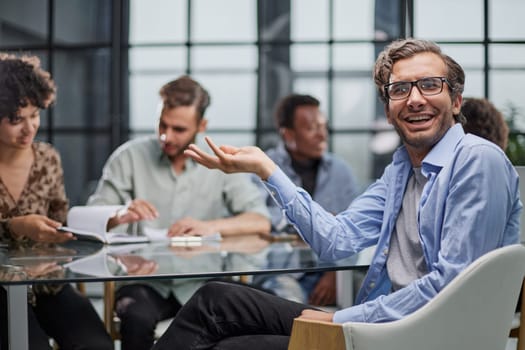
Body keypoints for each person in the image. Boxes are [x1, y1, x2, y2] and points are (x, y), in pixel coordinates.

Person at [151, 38, 522, 350]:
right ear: (389, 110)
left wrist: (343, 319)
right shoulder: (400, 172)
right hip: (386, 327)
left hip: (421, 337)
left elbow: (450, 285)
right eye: (399, 89)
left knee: (230, 339)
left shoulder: (477, 159)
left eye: (429, 85)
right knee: (218, 301)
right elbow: (335, 241)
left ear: (456, 102)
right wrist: (267, 169)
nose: (414, 99)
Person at [87, 75, 271, 350]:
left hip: (204, 283)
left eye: (179, 129)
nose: (166, 136)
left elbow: (260, 222)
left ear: (202, 126)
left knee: (265, 309)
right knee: (135, 318)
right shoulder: (129, 156)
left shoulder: (221, 162)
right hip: (145, 283)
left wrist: (211, 227)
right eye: (162, 124)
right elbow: (91, 218)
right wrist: (120, 213)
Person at [0, 53, 113, 349]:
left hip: (47, 283)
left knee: (97, 344)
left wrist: (101, 223)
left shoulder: (48, 158)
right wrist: (15, 227)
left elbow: (60, 221)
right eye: (15, 120)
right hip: (1, 290)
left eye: (34, 115)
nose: (29, 128)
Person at [253, 93, 359, 306]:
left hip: (330, 272)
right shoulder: (262, 166)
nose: (322, 135)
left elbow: (355, 229)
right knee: (292, 311)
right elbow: (258, 220)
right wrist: (315, 220)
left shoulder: (341, 171)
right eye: (312, 128)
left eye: (323, 126)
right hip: (282, 273)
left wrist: (335, 274)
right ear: (288, 135)